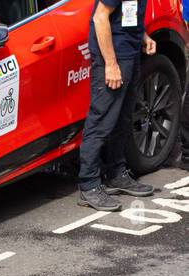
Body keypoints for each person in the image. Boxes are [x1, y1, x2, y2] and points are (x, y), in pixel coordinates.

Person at [77, 0, 157, 210]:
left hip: (129, 54)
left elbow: (126, 15)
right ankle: (89, 184)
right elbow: (100, 17)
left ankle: (116, 174)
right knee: (101, 121)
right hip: (113, 58)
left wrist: (143, 36)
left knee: (123, 119)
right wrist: (111, 65)